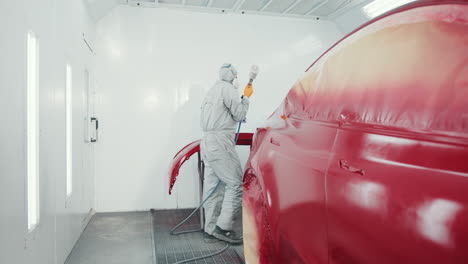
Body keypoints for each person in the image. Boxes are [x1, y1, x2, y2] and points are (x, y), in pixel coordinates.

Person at [200, 63, 254, 244]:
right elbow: (239, 114)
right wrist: (245, 99)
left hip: (207, 142)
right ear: (232, 77)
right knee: (235, 183)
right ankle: (223, 228)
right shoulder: (228, 89)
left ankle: (210, 230)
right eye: (237, 75)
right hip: (220, 142)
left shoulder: (212, 90)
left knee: (212, 186)